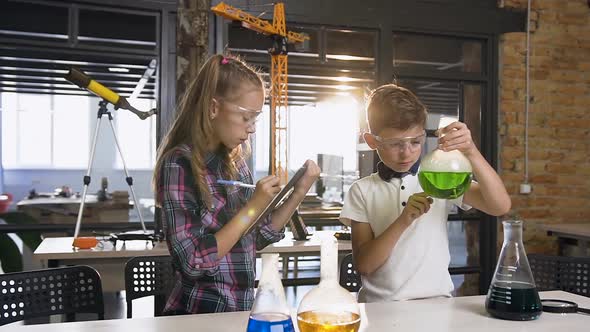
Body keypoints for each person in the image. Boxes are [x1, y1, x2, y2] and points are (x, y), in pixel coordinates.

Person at [153, 54, 320, 314]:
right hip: (198, 315)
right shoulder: (178, 163)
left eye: (256, 118)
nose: (252, 129)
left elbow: (257, 237)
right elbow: (193, 261)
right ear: (213, 108)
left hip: (238, 311)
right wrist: (253, 207)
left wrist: (300, 190)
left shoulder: (235, 163)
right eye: (246, 117)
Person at [340, 83, 511, 303]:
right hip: (379, 307)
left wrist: (472, 153)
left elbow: (500, 206)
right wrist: (403, 221)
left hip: (437, 303)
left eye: (416, 142)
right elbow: (364, 265)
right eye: (395, 144)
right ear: (372, 141)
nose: (406, 153)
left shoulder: (438, 177)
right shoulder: (362, 190)